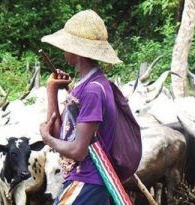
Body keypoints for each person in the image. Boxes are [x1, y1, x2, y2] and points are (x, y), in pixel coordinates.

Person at [39, 10, 122, 205]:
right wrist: (52, 90)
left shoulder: (93, 91)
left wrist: (47, 139)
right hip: (80, 180)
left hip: (88, 181)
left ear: (76, 51)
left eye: (66, 46)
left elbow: (77, 150)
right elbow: (62, 136)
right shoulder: (83, 87)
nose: (63, 51)